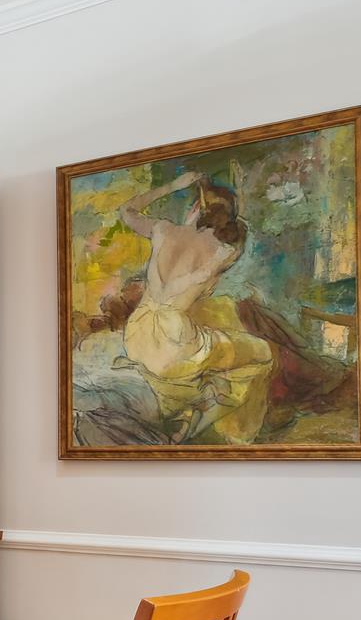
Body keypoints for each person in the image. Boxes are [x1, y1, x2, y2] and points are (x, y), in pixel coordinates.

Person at [117, 170, 275, 443]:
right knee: (262, 352)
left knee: (211, 346)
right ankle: (211, 407)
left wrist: (173, 184)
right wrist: (239, 201)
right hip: (175, 342)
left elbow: (126, 210)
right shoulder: (225, 251)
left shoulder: (163, 230)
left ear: (195, 208)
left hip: (136, 336)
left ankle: (196, 405)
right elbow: (239, 230)